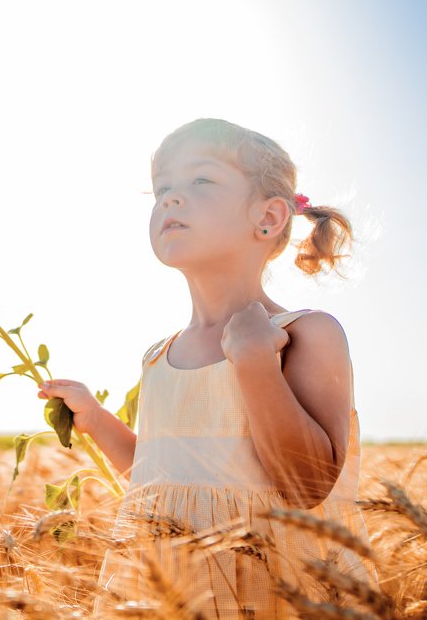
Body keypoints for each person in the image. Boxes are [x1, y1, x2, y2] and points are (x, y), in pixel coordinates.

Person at [37, 118, 379, 618]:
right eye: (162, 188)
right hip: (173, 591)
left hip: (275, 593)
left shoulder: (305, 334)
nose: (171, 199)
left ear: (268, 217)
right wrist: (95, 418)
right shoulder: (158, 355)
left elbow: (307, 486)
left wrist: (256, 362)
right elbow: (162, 479)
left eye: (200, 180)